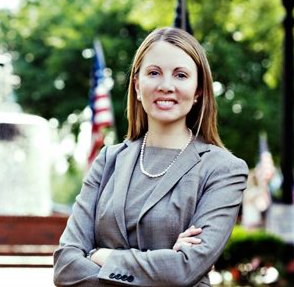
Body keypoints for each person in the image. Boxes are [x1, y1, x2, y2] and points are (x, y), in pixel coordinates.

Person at [53, 27, 248, 286]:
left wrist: (101, 255)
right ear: (137, 84)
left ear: (199, 89)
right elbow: (66, 266)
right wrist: (162, 263)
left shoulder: (224, 170)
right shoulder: (108, 161)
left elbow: (183, 270)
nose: (166, 86)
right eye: (154, 73)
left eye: (180, 75)